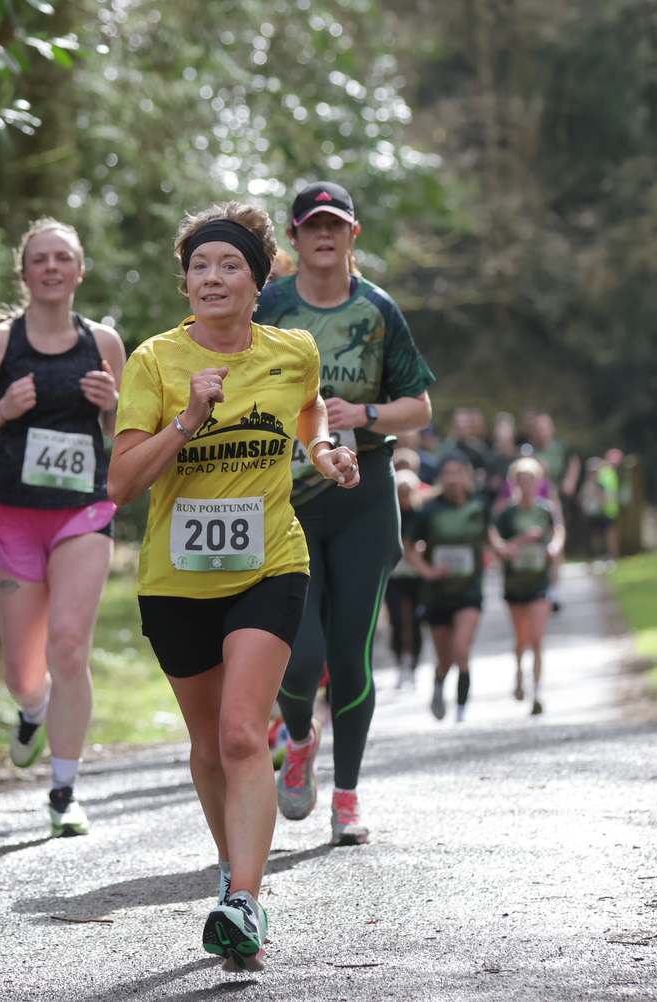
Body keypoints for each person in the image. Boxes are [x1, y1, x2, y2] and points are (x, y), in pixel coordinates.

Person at [108, 201, 359, 970]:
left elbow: (309, 412)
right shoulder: (154, 361)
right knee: (209, 745)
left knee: (244, 734)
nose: (212, 278)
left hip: (269, 566)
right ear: (185, 283)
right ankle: (231, 866)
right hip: (175, 580)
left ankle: (245, 901)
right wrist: (187, 418)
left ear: (258, 282)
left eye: (229, 266)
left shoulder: (294, 351)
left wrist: (324, 451)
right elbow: (121, 484)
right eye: (199, 267)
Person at [255, 180, 435, 847]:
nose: (324, 235)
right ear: (295, 237)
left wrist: (366, 412)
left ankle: (348, 796)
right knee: (300, 659)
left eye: (336, 225)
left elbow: (420, 407)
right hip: (287, 498)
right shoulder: (270, 306)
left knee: (352, 655)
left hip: (363, 497)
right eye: (313, 226)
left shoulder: (377, 309)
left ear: (352, 234)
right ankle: (300, 738)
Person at [0, 218, 125, 838]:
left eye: (62, 257)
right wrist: (2, 408)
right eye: (40, 258)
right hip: (12, 513)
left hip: (82, 512)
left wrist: (114, 405)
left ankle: (64, 792)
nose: (51, 267)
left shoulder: (104, 343)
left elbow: (130, 436)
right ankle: (33, 709)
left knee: (68, 645)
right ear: (24, 273)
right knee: (21, 673)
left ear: (79, 271)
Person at [404, 455, 487, 722]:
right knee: (445, 659)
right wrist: (428, 571)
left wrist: (505, 550)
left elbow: (491, 539)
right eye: (448, 473)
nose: (453, 478)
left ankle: (461, 710)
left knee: (461, 650)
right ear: (441, 478)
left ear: (467, 476)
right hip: (437, 593)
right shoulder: (429, 511)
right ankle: (439, 682)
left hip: (469, 590)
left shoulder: (479, 506)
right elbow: (409, 548)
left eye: (458, 472)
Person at [488, 457, 564, 715]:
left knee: (537, 638)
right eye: (522, 481)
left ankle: (538, 691)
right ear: (515, 483)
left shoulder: (545, 510)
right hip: (515, 582)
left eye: (531, 480)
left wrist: (554, 548)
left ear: (538, 482)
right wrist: (516, 543)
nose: (527, 485)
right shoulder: (507, 514)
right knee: (521, 637)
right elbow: (497, 544)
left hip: (539, 581)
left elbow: (558, 533)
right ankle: (519, 673)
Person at [525, 413, 579, 613]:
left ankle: (554, 590)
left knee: (556, 542)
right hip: (534, 503)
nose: (541, 432)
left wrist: (569, 482)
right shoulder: (528, 451)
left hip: (554, 500)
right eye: (538, 429)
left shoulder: (560, 448)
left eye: (544, 428)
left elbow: (573, 462)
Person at [386, 468, 428, 688]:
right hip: (394, 576)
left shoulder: (421, 516)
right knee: (397, 620)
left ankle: (414, 663)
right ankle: (400, 661)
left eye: (407, 491)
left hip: (416, 576)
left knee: (416, 620)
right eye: (400, 492)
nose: (404, 496)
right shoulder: (388, 516)